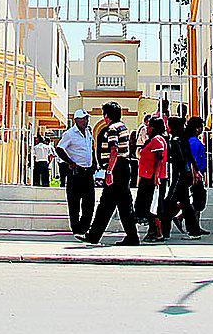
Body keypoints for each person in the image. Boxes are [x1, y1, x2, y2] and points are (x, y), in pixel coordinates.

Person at [83, 102, 139, 246]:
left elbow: (114, 150)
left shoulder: (112, 129)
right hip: (124, 168)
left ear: (107, 115)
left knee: (108, 204)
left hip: (116, 169)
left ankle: (94, 236)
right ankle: (131, 236)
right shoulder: (123, 127)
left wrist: (109, 171)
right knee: (121, 204)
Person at [163, 115, 207, 238]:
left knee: (169, 203)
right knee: (186, 204)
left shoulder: (176, 140)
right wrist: (195, 171)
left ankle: (164, 232)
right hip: (185, 175)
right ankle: (194, 231)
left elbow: (182, 159)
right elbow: (190, 158)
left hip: (179, 175)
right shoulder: (183, 139)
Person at [56, 109, 96, 236]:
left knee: (89, 201)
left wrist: (94, 163)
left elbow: (90, 149)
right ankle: (76, 227)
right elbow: (59, 149)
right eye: (83, 118)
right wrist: (70, 162)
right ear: (76, 120)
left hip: (88, 172)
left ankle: (85, 226)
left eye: (86, 118)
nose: (85, 121)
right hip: (76, 172)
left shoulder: (88, 132)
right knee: (74, 202)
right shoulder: (70, 134)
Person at [134, 114, 170, 242]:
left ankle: (158, 232)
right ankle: (152, 231)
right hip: (148, 176)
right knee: (149, 205)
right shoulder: (154, 139)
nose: (147, 129)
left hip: (153, 178)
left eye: (149, 126)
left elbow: (159, 158)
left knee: (153, 206)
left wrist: (156, 176)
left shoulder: (157, 140)